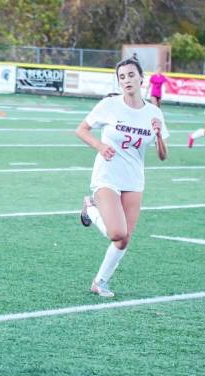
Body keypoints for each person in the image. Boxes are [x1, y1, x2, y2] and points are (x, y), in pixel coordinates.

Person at [76, 56, 169, 298]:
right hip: (107, 174)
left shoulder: (154, 112)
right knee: (116, 233)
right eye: (122, 77)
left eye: (130, 75)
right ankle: (90, 207)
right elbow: (81, 129)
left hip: (134, 179)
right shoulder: (110, 106)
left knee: (124, 240)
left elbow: (162, 156)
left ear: (141, 78)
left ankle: (100, 282)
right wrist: (99, 145)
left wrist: (159, 136)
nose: (127, 79)